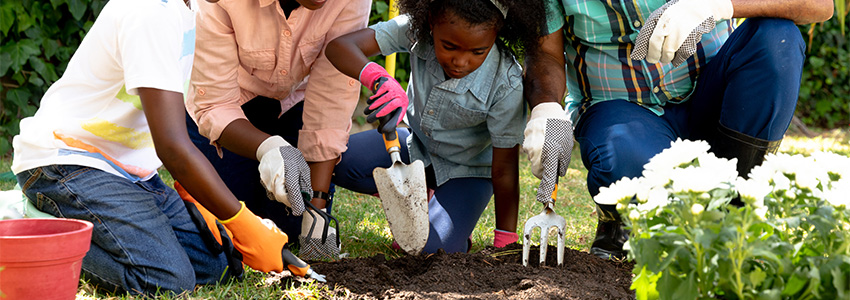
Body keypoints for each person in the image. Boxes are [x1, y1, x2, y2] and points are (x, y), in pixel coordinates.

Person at [11, 0, 312, 295]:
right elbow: (172, 146)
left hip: (129, 172)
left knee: (216, 266)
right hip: (70, 164)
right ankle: (29, 226)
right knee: (165, 279)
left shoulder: (186, 10)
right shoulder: (148, 13)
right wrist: (244, 223)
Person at [523, 0, 834, 260]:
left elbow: (820, 5)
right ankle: (621, 225)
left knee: (776, 37)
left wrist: (717, 5)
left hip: (716, 96)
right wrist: (545, 105)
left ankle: (737, 213)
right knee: (625, 163)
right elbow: (547, 52)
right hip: (623, 109)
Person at [325, 0, 545, 253]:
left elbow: (504, 168)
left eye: (477, 52)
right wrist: (379, 79)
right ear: (430, 23)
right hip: (415, 147)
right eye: (449, 46)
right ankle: (421, 198)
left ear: (497, 34)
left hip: (468, 174)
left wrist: (505, 238)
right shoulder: (414, 30)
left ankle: (448, 217)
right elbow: (340, 47)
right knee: (334, 160)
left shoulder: (507, 82)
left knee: (429, 251)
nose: (461, 61)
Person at [184, 0, 371, 260]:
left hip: (296, 103)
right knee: (225, 229)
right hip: (230, 108)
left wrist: (316, 213)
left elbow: (332, 98)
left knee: (291, 226)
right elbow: (215, 104)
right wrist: (269, 148)